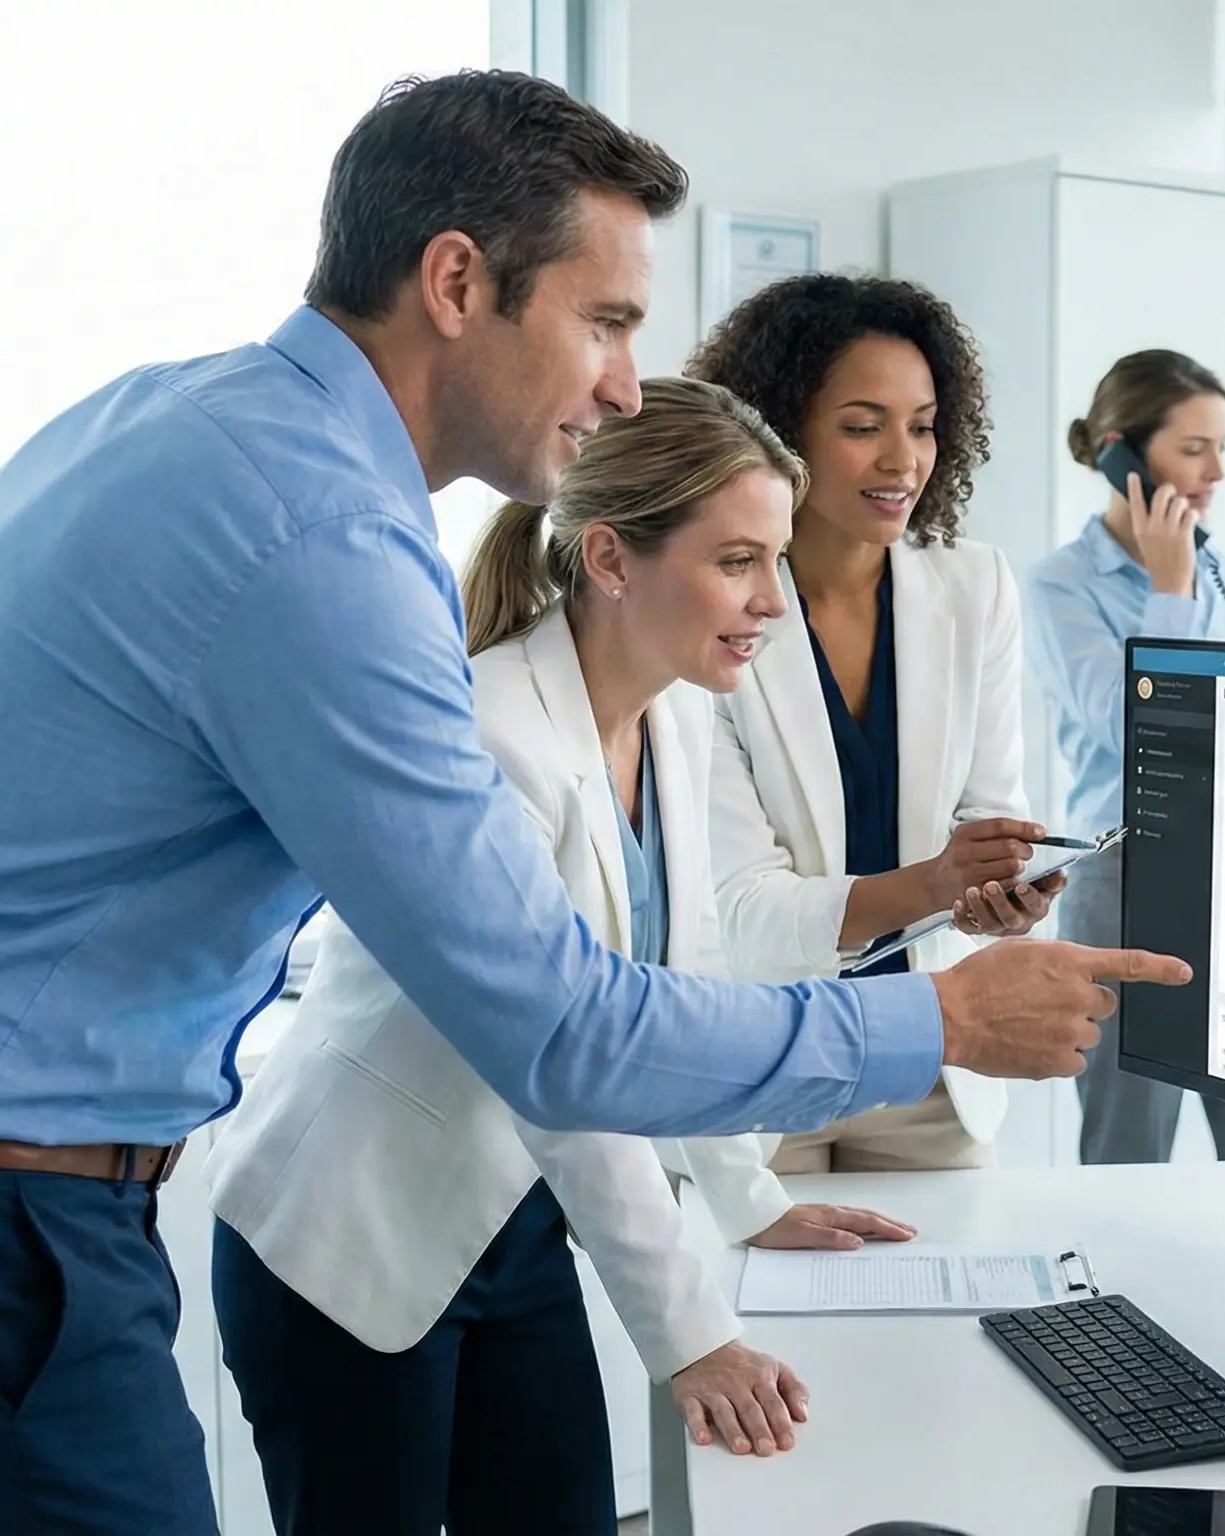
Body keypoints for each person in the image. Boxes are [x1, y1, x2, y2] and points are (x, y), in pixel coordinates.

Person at [0, 70, 1184, 1536]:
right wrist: (942, 1019)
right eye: (603, 322)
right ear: (458, 281)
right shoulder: (330, 541)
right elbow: (563, 1031)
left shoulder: (155, 418)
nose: (622, 381)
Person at [206, 378, 910, 1533]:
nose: (772, 601)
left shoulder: (674, 715)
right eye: (737, 560)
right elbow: (565, 1063)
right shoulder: (488, 734)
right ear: (611, 559)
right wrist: (695, 1340)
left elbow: (675, 1009)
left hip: (510, 1226)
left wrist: (748, 1199)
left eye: (776, 560)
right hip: (344, 1239)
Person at [679, 273, 1049, 1187]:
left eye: (922, 425)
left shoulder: (975, 586)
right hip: (762, 1065)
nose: (903, 460)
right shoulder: (706, 601)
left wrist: (1003, 894)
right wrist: (932, 881)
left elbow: (993, 811)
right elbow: (740, 913)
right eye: (862, 425)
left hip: (929, 1063)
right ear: (780, 431)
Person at [1026, 349, 1225, 1166]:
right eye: (1193, 449)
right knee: (1129, 1145)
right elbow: (1130, 728)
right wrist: (1169, 590)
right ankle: (1116, 1298)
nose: (1216, 470)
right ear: (1125, 452)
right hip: (1126, 883)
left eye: (1222, 446)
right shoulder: (1059, 587)